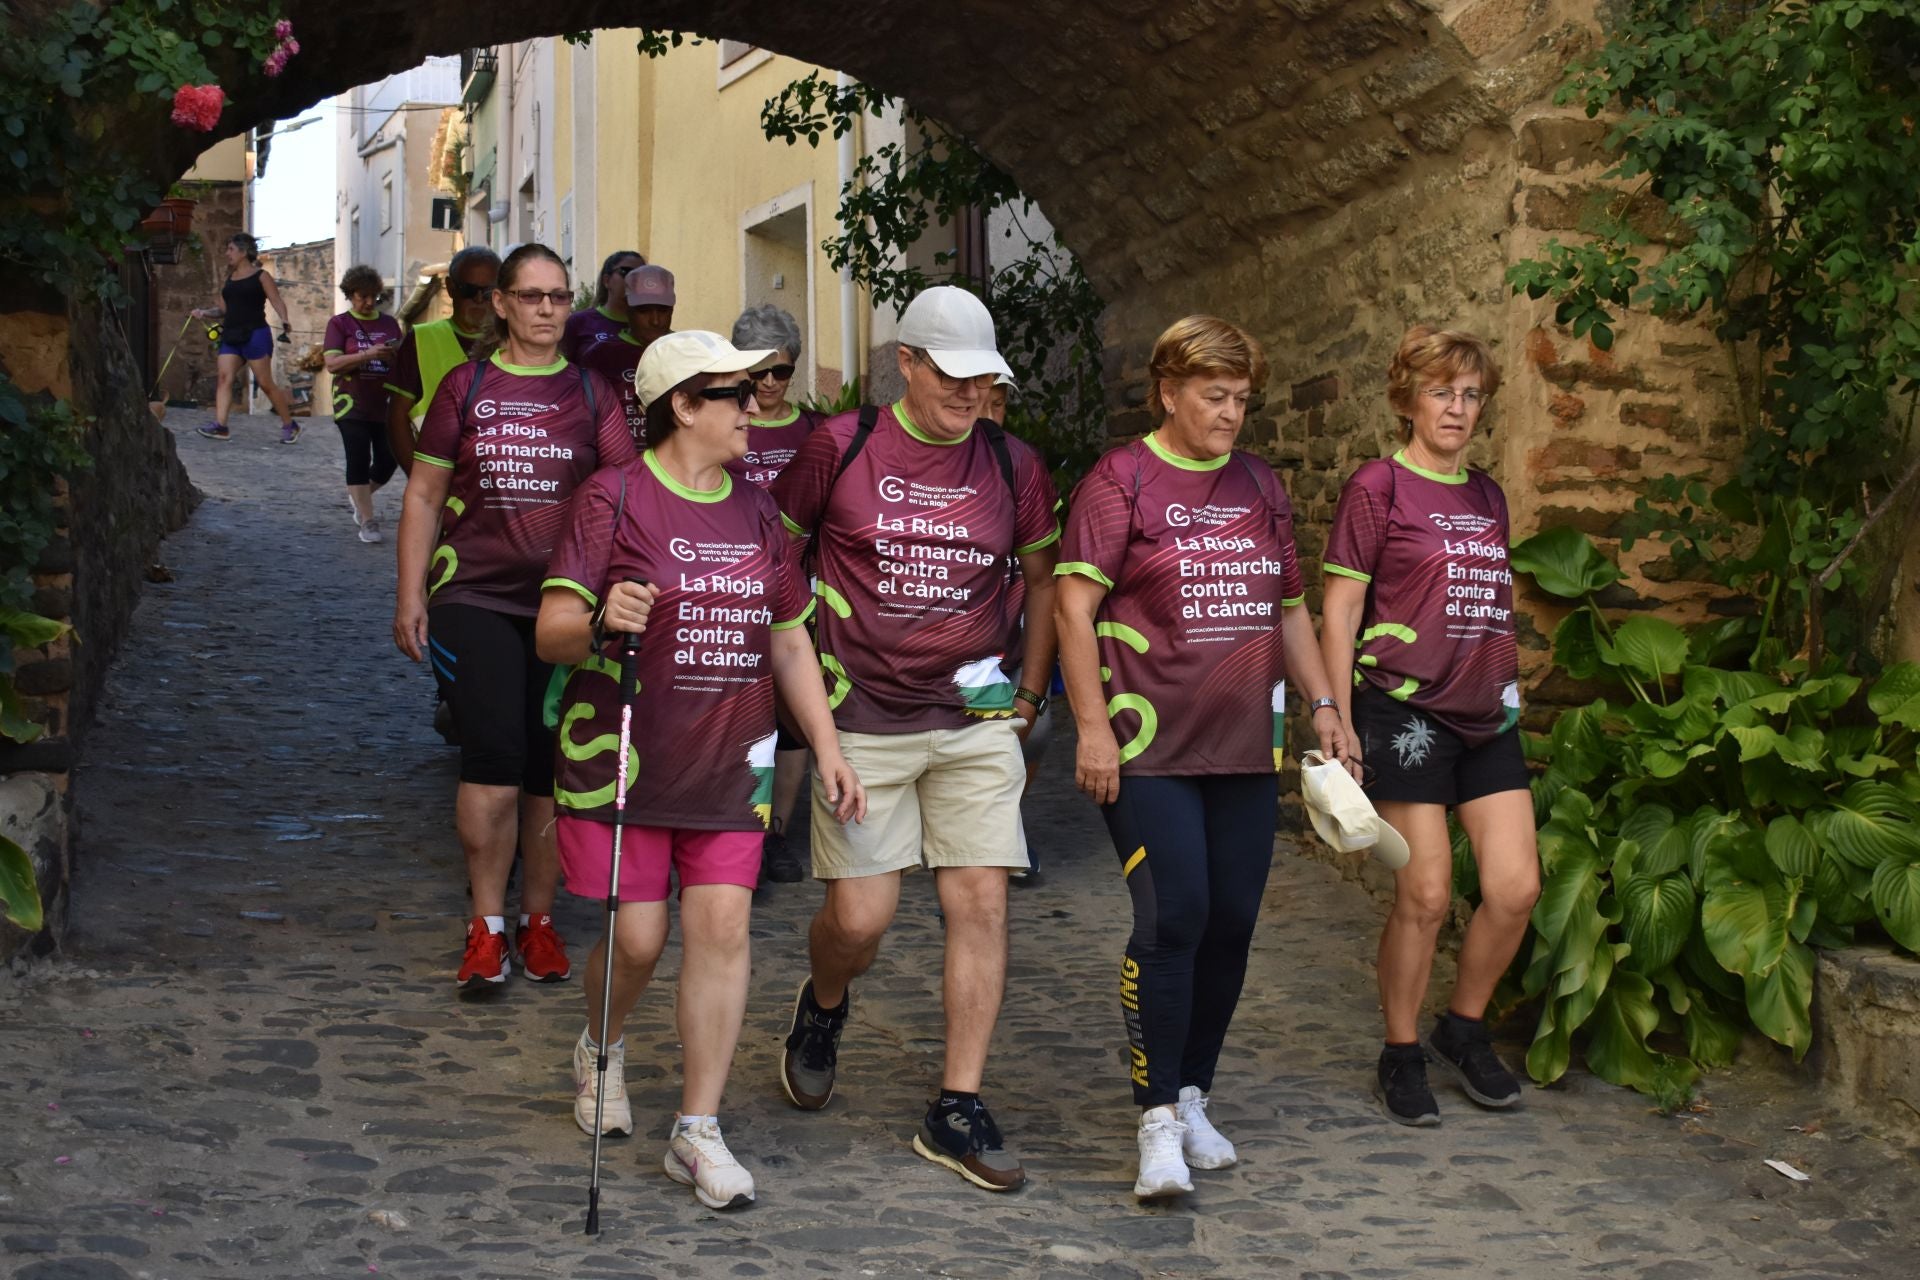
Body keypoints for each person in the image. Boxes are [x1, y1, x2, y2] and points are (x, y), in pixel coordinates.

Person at [535, 329, 867, 1211]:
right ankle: (600, 1047)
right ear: (682, 406)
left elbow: (788, 639)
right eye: (734, 393)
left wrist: (828, 748)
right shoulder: (614, 497)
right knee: (640, 940)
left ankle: (698, 1128)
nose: (756, 405)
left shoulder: (757, 509)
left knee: (722, 929)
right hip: (627, 762)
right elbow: (552, 633)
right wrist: (602, 619)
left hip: (732, 762)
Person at [1054, 314, 1355, 1199]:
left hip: (1243, 749)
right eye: (1214, 396)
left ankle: (1191, 1094)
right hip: (1147, 749)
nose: (1229, 414)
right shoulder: (1120, 481)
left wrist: (1325, 706)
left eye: (1241, 400)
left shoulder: (1260, 484)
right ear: (1168, 393)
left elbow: (1288, 608)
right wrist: (1091, 727)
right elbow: (1073, 610)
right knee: (1173, 916)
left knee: (1230, 922)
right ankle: (1154, 1119)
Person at [770, 285, 1060, 1193]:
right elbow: (778, 556)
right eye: (952, 375)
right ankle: (825, 1004)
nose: (971, 394)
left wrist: (1030, 694)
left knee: (981, 903)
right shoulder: (839, 446)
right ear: (907, 363)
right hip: (862, 718)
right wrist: (803, 686)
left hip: (975, 716)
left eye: (984, 379)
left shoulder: (1013, 463)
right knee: (860, 920)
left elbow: (1044, 580)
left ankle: (957, 1104)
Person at [391, 243, 637, 989]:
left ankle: (539, 921)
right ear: (500, 304)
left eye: (559, 297)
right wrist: (409, 594)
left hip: (566, 605)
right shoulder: (466, 386)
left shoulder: (593, 393)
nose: (547, 310)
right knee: (493, 755)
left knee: (545, 765)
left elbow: (626, 497)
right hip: (473, 595)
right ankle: (486, 925)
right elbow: (424, 494)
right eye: (531, 296)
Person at [1319, 325, 1538, 1128]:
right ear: (1407, 399)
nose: (1457, 408)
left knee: (1515, 888)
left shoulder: (1488, 496)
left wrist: (1505, 684)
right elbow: (1340, 611)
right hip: (1403, 709)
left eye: (1471, 394)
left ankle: (1463, 1028)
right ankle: (1401, 1050)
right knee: (1427, 890)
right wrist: (1337, 720)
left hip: (1486, 713)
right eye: (1442, 391)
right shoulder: (1378, 487)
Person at [728, 304, 824, 884]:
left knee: (791, 718)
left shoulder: (814, 430)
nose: (768, 383)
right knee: (742, 716)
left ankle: (775, 833)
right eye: (757, 371)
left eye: (781, 371)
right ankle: (738, 827)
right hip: (733, 589)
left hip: (798, 593)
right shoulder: (723, 420)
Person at [981, 376, 1053, 885]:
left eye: (1000, 404)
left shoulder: (1021, 465)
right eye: (982, 402)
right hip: (949, 649)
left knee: (1036, 730)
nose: (990, 415)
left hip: (1010, 638)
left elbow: (1045, 571)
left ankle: (1003, 824)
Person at [386, 246, 501, 475]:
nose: (479, 299)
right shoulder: (421, 340)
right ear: (451, 288)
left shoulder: (515, 341)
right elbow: (396, 418)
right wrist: (420, 480)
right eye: (469, 290)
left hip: (501, 481)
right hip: (441, 478)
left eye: (487, 291)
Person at [322, 265, 403, 543]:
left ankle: (359, 495)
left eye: (373, 297)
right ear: (350, 294)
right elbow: (332, 363)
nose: (368, 302)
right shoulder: (339, 324)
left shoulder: (389, 324)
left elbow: (403, 360)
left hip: (385, 403)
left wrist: (395, 355)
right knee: (358, 456)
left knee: (388, 460)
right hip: (351, 402)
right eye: (362, 296)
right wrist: (367, 354)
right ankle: (368, 521)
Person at [192, 232, 298, 443]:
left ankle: (290, 425)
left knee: (265, 383)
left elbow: (276, 300)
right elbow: (224, 311)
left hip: (255, 333)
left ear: (243, 252)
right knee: (224, 378)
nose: (227, 253)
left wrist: (285, 319)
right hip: (231, 335)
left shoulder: (261, 276)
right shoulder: (229, 279)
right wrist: (204, 312)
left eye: (231, 249)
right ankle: (221, 426)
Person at [560, 249, 646, 361]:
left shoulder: (651, 325)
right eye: (626, 272)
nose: (633, 280)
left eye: (641, 275)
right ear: (607, 280)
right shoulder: (578, 322)